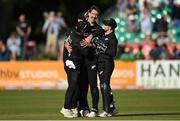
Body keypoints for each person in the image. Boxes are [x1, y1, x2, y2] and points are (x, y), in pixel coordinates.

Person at [80, 5, 104, 117]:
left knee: (93, 85)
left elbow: (100, 46)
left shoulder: (99, 29)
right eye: (93, 14)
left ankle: (94, 109)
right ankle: (84, 108)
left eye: (96, 15)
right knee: (82, 85)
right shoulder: (82, 25)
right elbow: (71, 36)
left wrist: (90, 44)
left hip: (92, 60)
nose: (94, 16)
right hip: (80, 60)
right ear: (89, 13)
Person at [60, 21, 87, 118]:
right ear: (82, 30)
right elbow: (86, 52)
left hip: (69, 62)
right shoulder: (78, 39)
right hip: (74, 64)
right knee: (72, 86)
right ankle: (66, 108)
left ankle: (71, 107)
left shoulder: (71, 33)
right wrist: (90, 43)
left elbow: (66, 41)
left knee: (74, 87)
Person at [96, 18, 118, 117]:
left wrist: (103, 48)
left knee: (104, 85)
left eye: (105, 24)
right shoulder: (103, 35)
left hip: (107, 63)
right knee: (105, 86)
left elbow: (113, 53)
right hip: (100, 63)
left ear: (110, 27)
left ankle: (106, 110)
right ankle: (112, 108)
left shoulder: (113, 38)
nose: (104, 26)